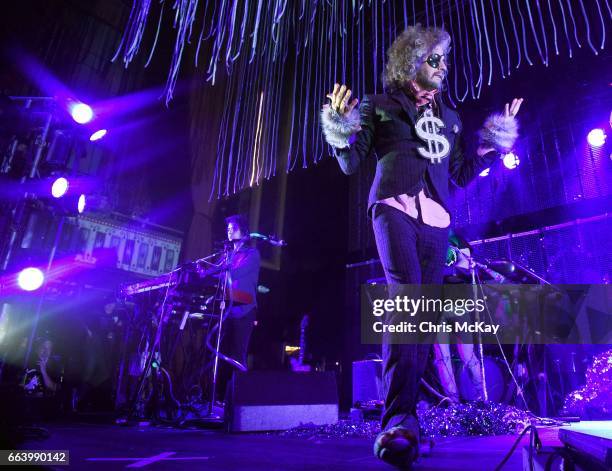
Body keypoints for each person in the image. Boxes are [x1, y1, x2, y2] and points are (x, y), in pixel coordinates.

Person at [320, 24, 523, 469]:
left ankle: (407, 419)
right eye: (434, 59)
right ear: (411, 61)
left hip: (436, 223)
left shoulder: (450, 117)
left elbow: (461, 174)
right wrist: (340, 129)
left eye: (444, 60)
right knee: (406, 299)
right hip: (392, 208)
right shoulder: (379, 105)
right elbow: (352, 161)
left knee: (423, 315)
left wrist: (493, 140)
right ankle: (397, 417)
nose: (442, 67)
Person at [216, 214, 261, 400]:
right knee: (222, 352)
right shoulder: (227, 255)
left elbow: (237, 272)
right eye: (228, 228)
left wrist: (219, 268)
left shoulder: (252, 254)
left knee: (237, 353)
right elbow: (218, 276)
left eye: (233, 228)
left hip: (244, 310)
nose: (229, 230)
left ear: (243, 232)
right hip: (228, 310)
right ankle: (219, 398)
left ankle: (239, 399)